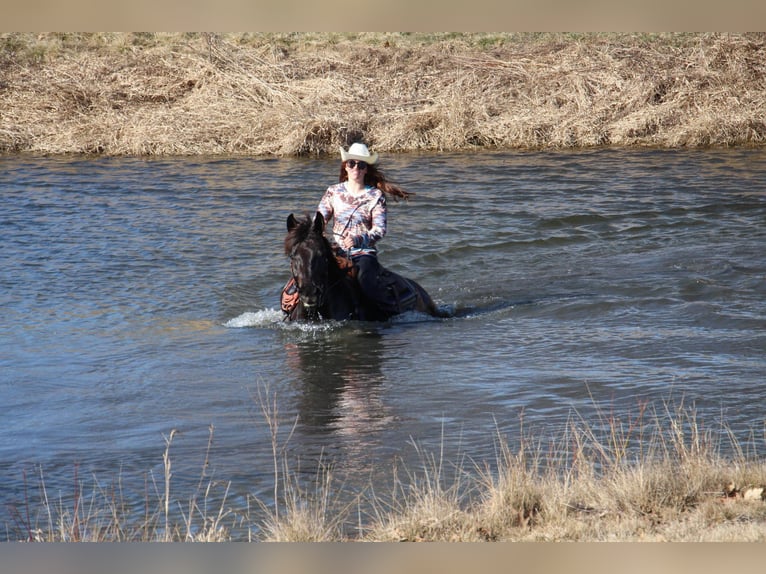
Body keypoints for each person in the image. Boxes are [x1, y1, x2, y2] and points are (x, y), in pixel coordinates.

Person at [281, 142, 413, 317]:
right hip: (336, 251)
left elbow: (379, 230)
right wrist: (313, 238)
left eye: (361, 164)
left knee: (365, 281)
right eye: (352, 163)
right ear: (346, 166)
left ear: (366, 169)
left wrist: (358, 239)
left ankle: (381, 318)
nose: (356, 167)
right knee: (302, 276)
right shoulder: (333, 192)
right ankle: (289, 310)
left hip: (363, 254)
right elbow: (319, 221)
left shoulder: (375, 196)